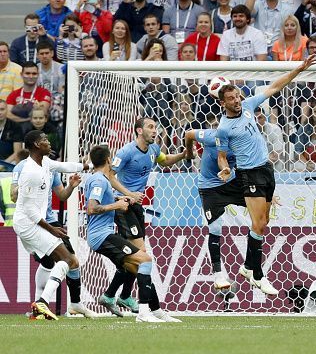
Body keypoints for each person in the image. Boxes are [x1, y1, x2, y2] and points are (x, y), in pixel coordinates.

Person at [215, 54, 316, 295]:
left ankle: (249, 267)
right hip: (248, 175)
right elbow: (221, 156)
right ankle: (256, 273)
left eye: (237, 96)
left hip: (266, 171)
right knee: (258, 224)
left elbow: (274, 86)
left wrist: (298, 70)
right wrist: (225, 169)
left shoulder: (249, 105)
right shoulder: (224, 128)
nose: (236, 101)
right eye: (231, 99)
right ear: (223, 103)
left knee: (264, 223)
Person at [98, 117, 186, 316]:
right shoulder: (126, 152)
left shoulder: (154, 150)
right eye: (151, 127)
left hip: (137, 207)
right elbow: (110, 175)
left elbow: (165, 162)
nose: (155, 131)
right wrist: (128, 194)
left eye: (156, 127)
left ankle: (114, 295)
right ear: (139, 131)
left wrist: (183, 154)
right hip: (125, 206)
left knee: (136, 256)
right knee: (142, 255)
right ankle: (138, 303)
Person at [85, 144, 180, 323]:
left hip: (102, 235)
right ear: (108, 160)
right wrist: (117, 205)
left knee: (137, 268)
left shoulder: (97, 179)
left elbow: (100, 201)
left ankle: (157, 311)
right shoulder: (99, 180)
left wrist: (119, 198)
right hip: (101, 236)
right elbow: (92, 208)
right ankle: (144, 313)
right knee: (144, 260)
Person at [13, 130, 90, 320]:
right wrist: (52, 229)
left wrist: (87, 165)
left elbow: (64, 166)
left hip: (34, 223)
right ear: (37, 145)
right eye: (45, 140)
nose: (49, 142)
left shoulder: (45, 163)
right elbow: (29, 210)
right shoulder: (29, 172)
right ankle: (42, 303)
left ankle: (40, 306)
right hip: (28, 224)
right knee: (69, 261)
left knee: (59, 262)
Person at [183, 127, 245, 289]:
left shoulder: (244, 143)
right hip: (210, 187)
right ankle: (218, 275)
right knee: (215, 228)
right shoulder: (211, 136)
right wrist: (189, 154)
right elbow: (189, 134)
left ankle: (252, 268)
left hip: (231, 183)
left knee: (260, 209)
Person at [0, 99, 24, 164]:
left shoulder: (15, 126)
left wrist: (4, 164)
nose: (0, 112)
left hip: (9, 162)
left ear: (7, 110)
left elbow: (17, 151)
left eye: (2, 109)